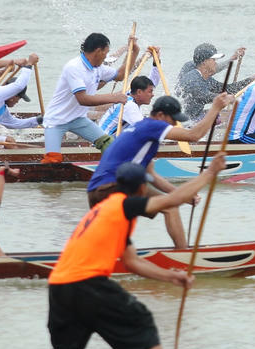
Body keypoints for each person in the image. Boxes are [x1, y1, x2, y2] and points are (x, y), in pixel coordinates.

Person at [43, 155, 229, 349]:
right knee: (141, 319)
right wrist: (210, 172)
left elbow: (132, 262)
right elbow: (172, 200)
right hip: (87, 285)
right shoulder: (124, 206)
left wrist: (172, 276)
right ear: (142, 188)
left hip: (58, 287)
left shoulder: (103, 211)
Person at [85, 94, 234, 248]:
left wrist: (182, 196)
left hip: (95, 190)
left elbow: (152, 176)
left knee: (114, 239)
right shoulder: (152, 126)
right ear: (160, 115)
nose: (175, 124)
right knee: (170, 208)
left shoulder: (141, 133)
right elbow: (194, 135)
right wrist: (216, 107)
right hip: (112, 188)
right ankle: (183, 256)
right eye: (173, 119)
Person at [42, 34, 140, 162]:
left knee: (108, 144)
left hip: (78, 119)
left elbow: (121, 75)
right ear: (98, 51)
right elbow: (83, 99)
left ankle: (111, 174)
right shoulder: (74, 67)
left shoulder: (98, 68)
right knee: (52, 160)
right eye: (106, 52)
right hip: (56, 120)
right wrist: (114, 97)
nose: (106, 56)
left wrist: (134, 52)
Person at [177, 43, 255, 122]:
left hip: (195, 116)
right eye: (214, 60)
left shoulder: (207, 79)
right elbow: (203, 96)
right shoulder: (192, 80)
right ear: (204, 62)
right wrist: (225, 98)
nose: (216, 63)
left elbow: (228, 89)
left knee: (220, 118)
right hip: (184, 122)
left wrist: (251, 80)